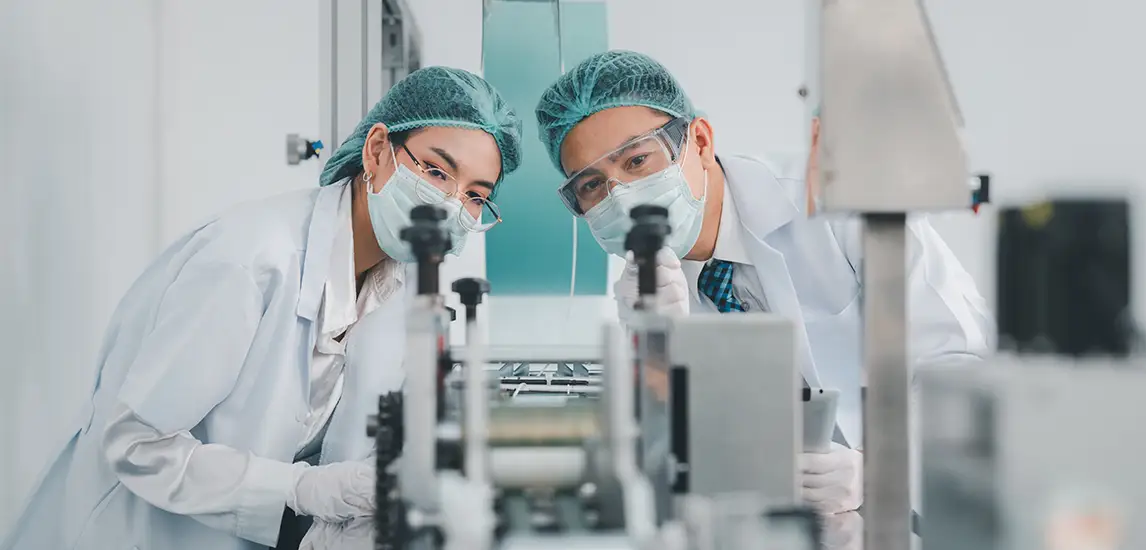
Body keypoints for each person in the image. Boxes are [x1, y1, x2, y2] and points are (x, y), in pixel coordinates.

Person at [1, 66, 522, 550]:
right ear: (378, 151)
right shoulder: (251, 260)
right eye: (436, 171)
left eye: (477, 196)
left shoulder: (398, 285)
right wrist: (300, 490)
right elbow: (137, 444)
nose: (453, 205)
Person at [534, 50, 993, 516]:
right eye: (592, 184)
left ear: (699, 140)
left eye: (636, 161)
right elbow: (675, 457)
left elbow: (962, 366)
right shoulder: (651, 294)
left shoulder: (837, 200)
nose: (622, 195)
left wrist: (879, 468)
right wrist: (656, 351)